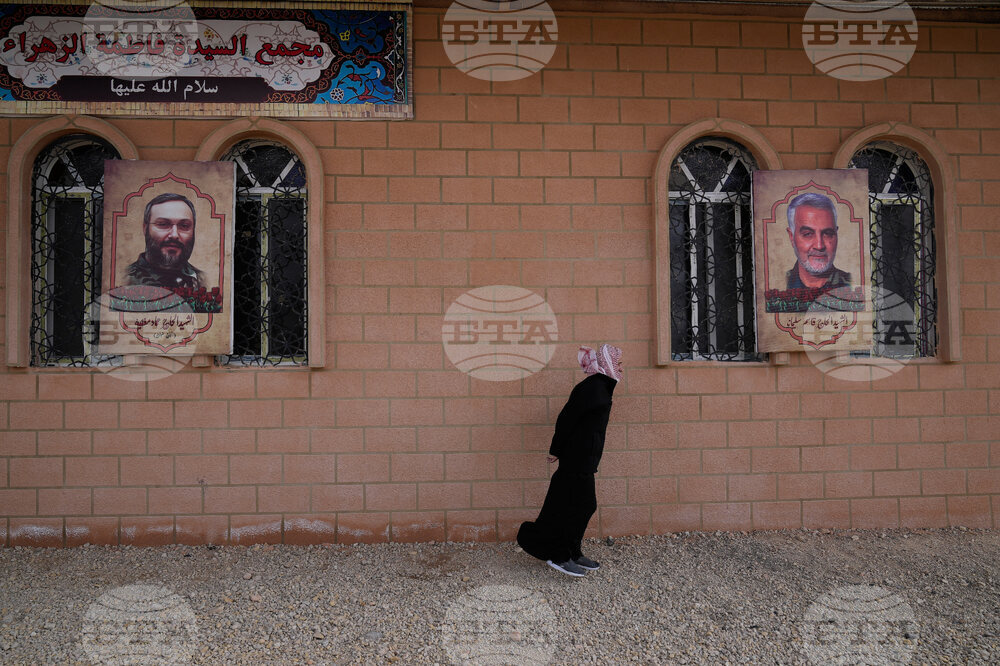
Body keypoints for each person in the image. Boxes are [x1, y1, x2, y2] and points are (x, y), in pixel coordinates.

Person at [517, 343, 622, 577]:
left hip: (585, 459)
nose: (620, 366)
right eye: (616, 361)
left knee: (582, 506)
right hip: (575, 458)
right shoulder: (592, 387)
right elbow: (567, 417)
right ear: (605, 364)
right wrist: (556, 449)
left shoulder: (602, 387)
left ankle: (572, 552)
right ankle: (559, 556)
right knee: (569, 508)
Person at [124, 192, 205, 291]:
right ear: (145, 228)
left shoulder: (201, 281)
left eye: (184, 226)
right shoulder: (125, 280)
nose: (174, 235)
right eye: (163, 224)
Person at [785, 192, 851, 292]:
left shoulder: (853, 285)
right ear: (791, 237)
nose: (819, 246)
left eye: (827, 233)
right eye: (808, 234)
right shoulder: (778, 284)